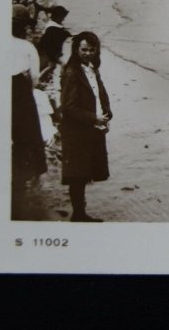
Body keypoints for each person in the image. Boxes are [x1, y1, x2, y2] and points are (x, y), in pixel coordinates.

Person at [60, 32, 112, 222]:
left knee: (82, 173)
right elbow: (68, 107)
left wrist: (107, 113)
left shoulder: (91, 68)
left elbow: (99, 93)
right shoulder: (72, 72)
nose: (88, 53)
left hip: (90, 127)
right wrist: (94, 118)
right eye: (84, 50)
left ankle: (80, 213)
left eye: (92, 49)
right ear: (76, 50)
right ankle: (78, 214)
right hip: (76, 131)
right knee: (78, 175)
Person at [11, 4, 47, 220]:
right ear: (25, 27)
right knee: (29, 136)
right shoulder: (27, 47)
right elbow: (34, 79)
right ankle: (25, 174)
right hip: (20, 92)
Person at [37, 5, 71, 75]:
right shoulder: (52, 28)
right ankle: (61, 78)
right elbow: (50, 42)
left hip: (51, 51)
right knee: (61, 64)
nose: (63, 19)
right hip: (50, 52)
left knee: (52, 66)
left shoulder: (53, 25)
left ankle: (41, 78)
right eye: (62, 17)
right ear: (58, 17)